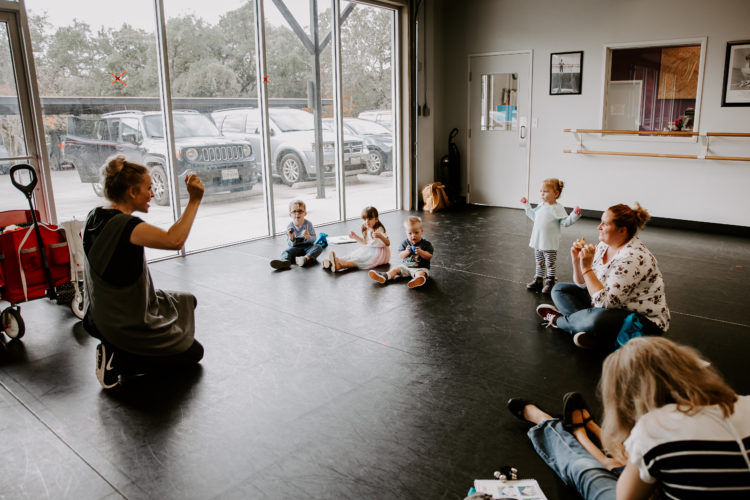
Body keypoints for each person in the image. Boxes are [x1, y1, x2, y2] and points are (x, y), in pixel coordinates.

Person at [507, 336, 750, 500]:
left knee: (587, 473)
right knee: (630, 465)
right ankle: (589, 430)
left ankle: (553, 426)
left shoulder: (654, 428)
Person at [83, 155, 205, 389]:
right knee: (193, 353)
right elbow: (174, 240)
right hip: (120, 320)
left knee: (188, 302)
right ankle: (119, 359)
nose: (152, 193)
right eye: (148, 188)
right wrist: (194, 201)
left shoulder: (95, 216)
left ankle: (120, 348)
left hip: (99, 313)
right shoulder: (127, 227)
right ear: (131, 192)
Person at [535, 202, 669, 349]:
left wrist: (587, 268)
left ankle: (559, 321)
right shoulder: (604, 245)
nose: (599, 227)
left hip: (639, 320)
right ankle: (590, 331)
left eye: (604, 224)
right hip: (607, 306)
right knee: (560, 290)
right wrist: (577, 261)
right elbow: (583, 285)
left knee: (597, 319)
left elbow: (605, 303)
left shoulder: (632, 258)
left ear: (622, 230)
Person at [521, 178, 581, 293]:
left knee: (550, 263)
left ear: (556, 193)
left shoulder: (557, 208)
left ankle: (550, 281)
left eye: (546, 191)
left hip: (549, 242)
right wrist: (526, 205)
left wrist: (574, 215)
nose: (542, 193)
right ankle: (538, 280)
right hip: (538, 240)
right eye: (540, 191)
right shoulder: (540, 205)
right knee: (539, 261)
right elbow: (534, 216)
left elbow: (565, 222)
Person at [369, 216, 433, 288]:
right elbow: (401, 255)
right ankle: (385, 276)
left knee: (420, 273)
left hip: (420, 267)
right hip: (405, 267)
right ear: (406, 233)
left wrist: (421, 252)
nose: (413, 235)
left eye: (416, 232)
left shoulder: (426, 244)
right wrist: (406, 252)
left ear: (422, 231)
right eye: (410, 233)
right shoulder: (405, 243)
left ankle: (417, 280)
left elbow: (429, 256)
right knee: (395, 269)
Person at [324, 206, 390, 272]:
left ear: (376, 219)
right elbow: (366, 243)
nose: (367, 222)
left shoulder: (379, 229)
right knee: (353, 255)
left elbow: (388, 243)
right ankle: (333, 262)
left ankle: (339, 264)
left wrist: (380, 236)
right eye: (365, 219)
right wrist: (355, 237)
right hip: (370, 249)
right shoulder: (367, 228)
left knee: (359, 260)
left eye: (370, 219)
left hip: (380, 253)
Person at [270, 200, 324, 270]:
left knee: (318, 247)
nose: (297, 214)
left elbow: (314, 239)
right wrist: (291, 237)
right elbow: (290, 244)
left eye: (300, 211)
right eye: (294, 211)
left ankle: (305, 259)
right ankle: (285, 262)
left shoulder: (308, 224)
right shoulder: (289, 227)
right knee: (286, 251)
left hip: (308, 247)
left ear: (305, 213)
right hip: (296, 248)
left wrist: (308, 237)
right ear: (290, 214)